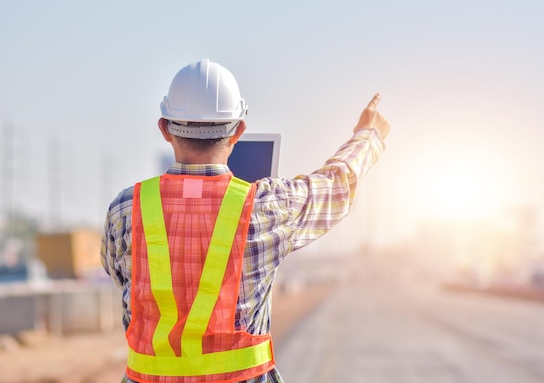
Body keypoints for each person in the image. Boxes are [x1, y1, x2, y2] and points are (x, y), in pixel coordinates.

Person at [100, 58, 390, 383]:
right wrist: (368, 136)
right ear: (238, 130)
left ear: (165, 128)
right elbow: (337, 184)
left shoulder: (126, 209)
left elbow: (119, 273)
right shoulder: (265, 207)